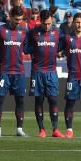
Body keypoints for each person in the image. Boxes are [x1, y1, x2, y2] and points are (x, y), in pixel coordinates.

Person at [0, 7, 30, 137]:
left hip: (19, 71)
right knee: (0, 99)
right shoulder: (1, 29)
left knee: (20, 100)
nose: (18, 22)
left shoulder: (24, 31)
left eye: (20, 20)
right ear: (10, 16)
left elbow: (26, 48)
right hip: (4, 71)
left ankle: (19, 129)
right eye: (16, 20)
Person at [29, 9, 63, 137]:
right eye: (45, 24)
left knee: (53, 99)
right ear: (40, 22)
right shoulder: (33, 32)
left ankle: (55, 129)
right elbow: (27, 47)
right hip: (37, 71)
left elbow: (64, 43)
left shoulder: (57, 32)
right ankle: (41, 129)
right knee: (39, 100)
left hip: (51, 71)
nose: (47, 26)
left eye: (49, 23)